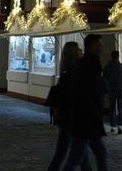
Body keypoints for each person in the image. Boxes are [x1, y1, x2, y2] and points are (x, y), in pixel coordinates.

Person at [60, 33, 108, 171]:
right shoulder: (87, 66)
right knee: (76, 159)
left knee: (96, 155)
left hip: (88, 120)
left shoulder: (90, 64)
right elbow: (84, 93)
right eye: (99, 44)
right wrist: (95, 111)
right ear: (93, 46)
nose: (102, 47)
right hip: (86, 120)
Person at [45, 41, 93, 171]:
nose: (81, 52)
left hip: (67, 117)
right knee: (69, 153)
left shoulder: (66, 70)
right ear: (74, 53)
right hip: (72, 117)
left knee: (77, 154)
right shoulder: (74, 70)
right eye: (78, 50)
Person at [103, 49, 122, 134]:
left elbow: (104, 77)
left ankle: (112, 126)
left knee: (112, 108)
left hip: (111, 89)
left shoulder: (107, 66)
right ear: (118, 56)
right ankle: (120, 125)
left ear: (111, 56)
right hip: (120, 89)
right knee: (120, 107)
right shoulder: (121, 66)